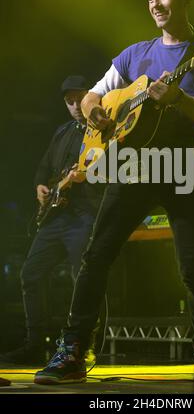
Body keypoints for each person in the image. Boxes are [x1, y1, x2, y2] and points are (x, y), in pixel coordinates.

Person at [34, 0, 194, 384]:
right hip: (132, 167)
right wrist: (95, 112)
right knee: (96, 256)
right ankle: (72, 351)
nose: (156, 5)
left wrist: (178, 97)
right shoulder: (133, 54)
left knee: (192, 267)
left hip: (182, 168)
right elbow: (94, 94)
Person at [0, 75, 105, 365]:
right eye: (68, 100)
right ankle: (35, 345)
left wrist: (83, 178)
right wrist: (40, 187)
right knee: (31, 274)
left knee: (84, 278)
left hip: (85, 214)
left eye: (78, 98)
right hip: (56, 216)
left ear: (90, 97)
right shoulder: (62, 131)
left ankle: (84, 345)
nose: (73, 105)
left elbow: (116, 170)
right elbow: (44, 168)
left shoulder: (104, 129)